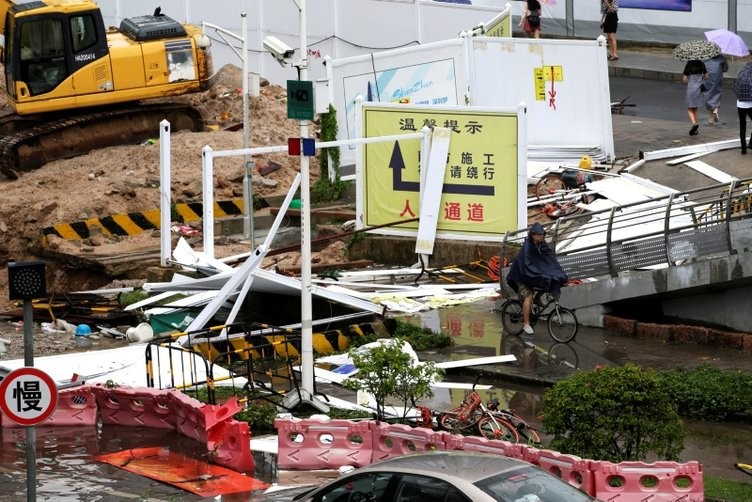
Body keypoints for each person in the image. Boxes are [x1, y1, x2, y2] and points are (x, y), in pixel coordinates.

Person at [506, 222, 568, 335]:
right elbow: (527, 264)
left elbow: (550, 258)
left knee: (549, 280)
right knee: (529, 296)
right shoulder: (527, 247)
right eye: (539, 234)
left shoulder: (542, 244)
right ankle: (525, 323)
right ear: (533, 235)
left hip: (531, 276)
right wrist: (539, 274)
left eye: (543, 234)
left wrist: (557, 272)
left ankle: (538, 298)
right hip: (520, 276)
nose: (542, 236)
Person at [683, 59, 708, 136]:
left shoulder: (689, 64)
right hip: (699, 89)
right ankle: (695, 128)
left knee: (689, 108)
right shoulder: (701, 64)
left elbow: (684, 79)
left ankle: (694, 123)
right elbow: (707, 77)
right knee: (695, 108)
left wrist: (688, 79)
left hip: (691, 89)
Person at [703, 53, 728, 124]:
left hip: (707, 78)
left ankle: (711, 118)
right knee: (717, 94)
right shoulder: (721, 58)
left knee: (708, 94)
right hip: (717, 78)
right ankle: (715, 110)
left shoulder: (705, 57)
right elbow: (725, 69)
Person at [735, 61, 752, 154]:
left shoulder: (741, 74)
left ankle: (743, 148)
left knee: (742, 126)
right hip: (750, 105)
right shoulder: (750, 77)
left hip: (740, 104)